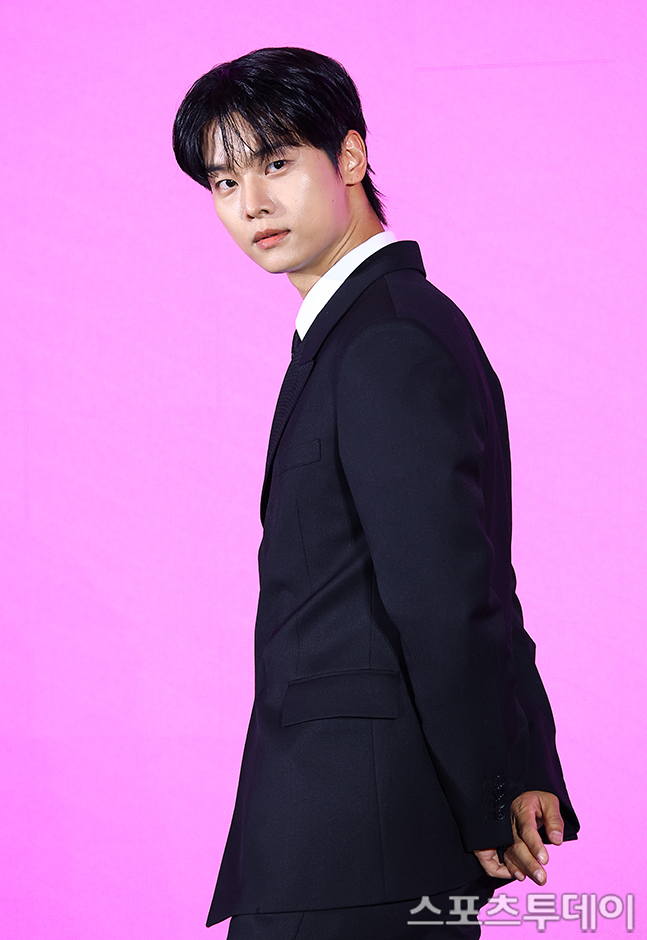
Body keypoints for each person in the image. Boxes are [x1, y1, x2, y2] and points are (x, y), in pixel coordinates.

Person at [173, 47, 579, 939]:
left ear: (350, 156)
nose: (251, 203)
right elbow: (474, 576)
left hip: (357, 843)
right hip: (354, 833)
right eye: (224, 181)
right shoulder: (370, 328)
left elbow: (446, 595)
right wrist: (521, 764)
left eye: (276, 162)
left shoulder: (385, 340)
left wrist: (492, 793)